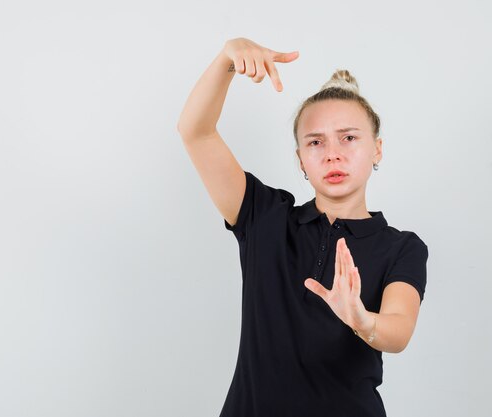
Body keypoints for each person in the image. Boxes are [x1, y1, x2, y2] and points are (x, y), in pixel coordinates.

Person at [177, 37, 429, 417]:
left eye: (349, 138)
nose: (332, 153)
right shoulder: (263, 216)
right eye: (315, 142)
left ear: (376, 149)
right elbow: (196, 132)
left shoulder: (401, 247)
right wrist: (228, 57)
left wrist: (362, 319)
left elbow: (398, 330)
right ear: (300, 159)